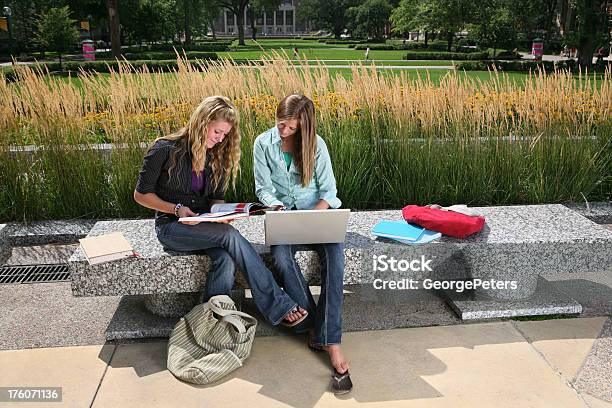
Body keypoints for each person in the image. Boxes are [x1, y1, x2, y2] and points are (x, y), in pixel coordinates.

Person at [133, 95, 308, 327]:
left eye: (225, 134)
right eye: (217, 132)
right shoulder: (164, 149)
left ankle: (212, 321)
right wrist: (176, 209)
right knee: (229, 236)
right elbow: (141, 195)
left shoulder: (217, 156)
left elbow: (214, 200)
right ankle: (277, 303)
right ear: (202, 122)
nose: (220, 139)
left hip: (205, 226)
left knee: (225, 258)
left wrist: (225, 213)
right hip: (172, 228)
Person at [253, 94, 353, 394]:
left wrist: (311, 218)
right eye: (280, 124)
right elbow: (263, 188)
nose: (283, 131)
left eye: (291, 128)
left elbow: (329, 190)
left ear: (304, 126)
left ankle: (331, 341)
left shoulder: (316, 145)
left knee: (336, 260)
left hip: (319, 214)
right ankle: (314, 328)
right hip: (283, 219)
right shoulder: (262, 143)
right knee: (282, 260)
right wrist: (277, 208)